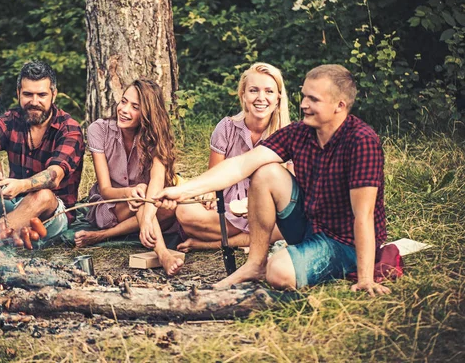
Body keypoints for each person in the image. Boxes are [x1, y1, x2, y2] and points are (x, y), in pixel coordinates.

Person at [156, 64, 391, 297]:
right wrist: (183, 191)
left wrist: (365, 278)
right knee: (265, 170)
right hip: (309, 222)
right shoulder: (299, 132)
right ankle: (254, 263)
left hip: (342, 241)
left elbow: (364, 215)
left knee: (278, 273)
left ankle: (287, 263)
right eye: (304, 96)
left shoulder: (361, 141)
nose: (304, 105)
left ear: (340, 105)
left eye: (314, 100)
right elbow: (241, 164)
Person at [0, 60, 85, 263]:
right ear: (18, 93)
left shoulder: (69, 128)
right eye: (28, 94)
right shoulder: (12, 119)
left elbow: (54, 176)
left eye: (42, 95)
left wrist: (22, 185)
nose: (34, 101)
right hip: (15, 203)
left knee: (43, 195)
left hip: (52, 215)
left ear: (54, 95)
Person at [175, 62, 292, 252]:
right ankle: (253, 237)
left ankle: (212, 243)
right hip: (226, 209)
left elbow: (287, 195)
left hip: (266, 213)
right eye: (254, 90)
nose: (261, 98)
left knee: (292, 224)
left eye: (269, 91)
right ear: (243, 95)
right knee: (184, 212)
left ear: (278, 97)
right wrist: (208, 195)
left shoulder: (287, 134)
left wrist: (255, 207)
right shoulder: (227, 128)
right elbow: (213, 179)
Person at [74, 79, 183, 275]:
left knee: (168, 209)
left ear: (148, 114)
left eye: (135, 107)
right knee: (141, 199)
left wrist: (148, 218)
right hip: (112, 204)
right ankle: (163, 254)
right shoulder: (98, 130)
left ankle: (103, 236)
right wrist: (129, 192)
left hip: (148, 202)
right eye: (123, 101)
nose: (124, 110)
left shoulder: (157, 138)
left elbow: (156, 182)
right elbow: (106, 190)